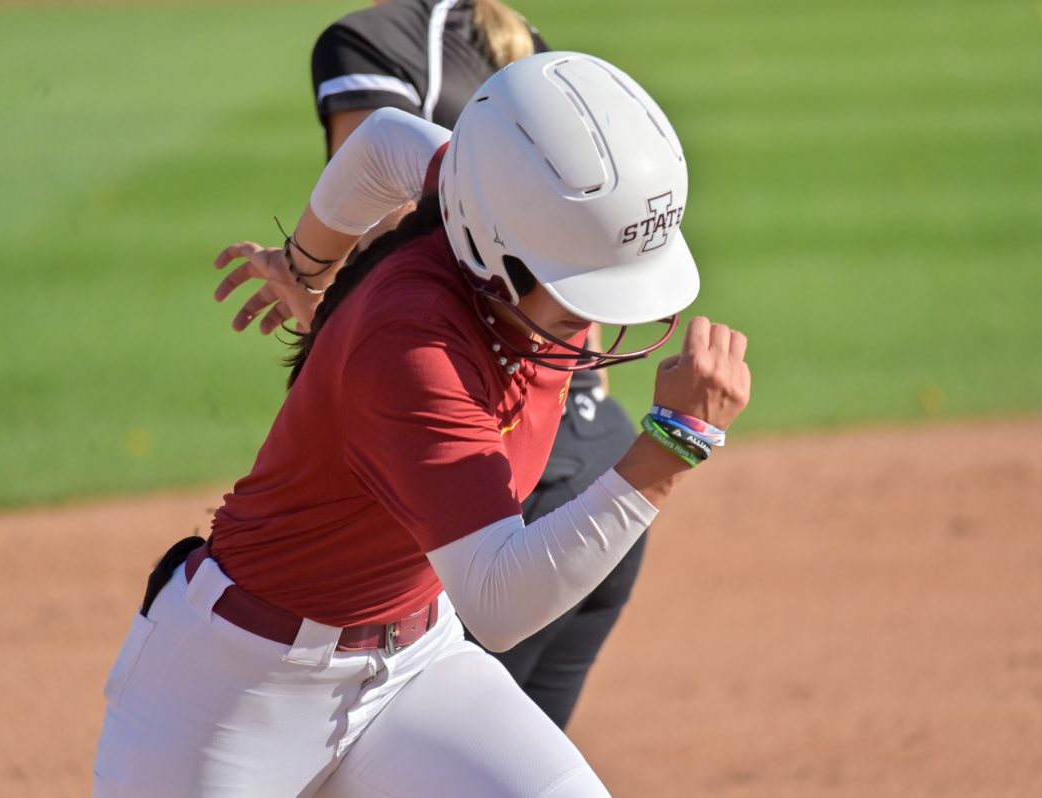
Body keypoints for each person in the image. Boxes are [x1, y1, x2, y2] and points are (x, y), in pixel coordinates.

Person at [93, 52, 749, 797]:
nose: (597, 319)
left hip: (413, 669)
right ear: (495, 256)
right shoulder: (414, 345)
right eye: (578, 289)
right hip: (233, 695)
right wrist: (675, 442)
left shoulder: (480, 197)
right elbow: (499, 603)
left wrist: (305, 266)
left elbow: (381, 145)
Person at [218, 0, 650, 730]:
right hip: (588, 446)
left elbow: (396, 235)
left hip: (490, 492)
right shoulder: (529, 49)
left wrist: (312, 281)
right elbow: (569, 267)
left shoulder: (369, 38)